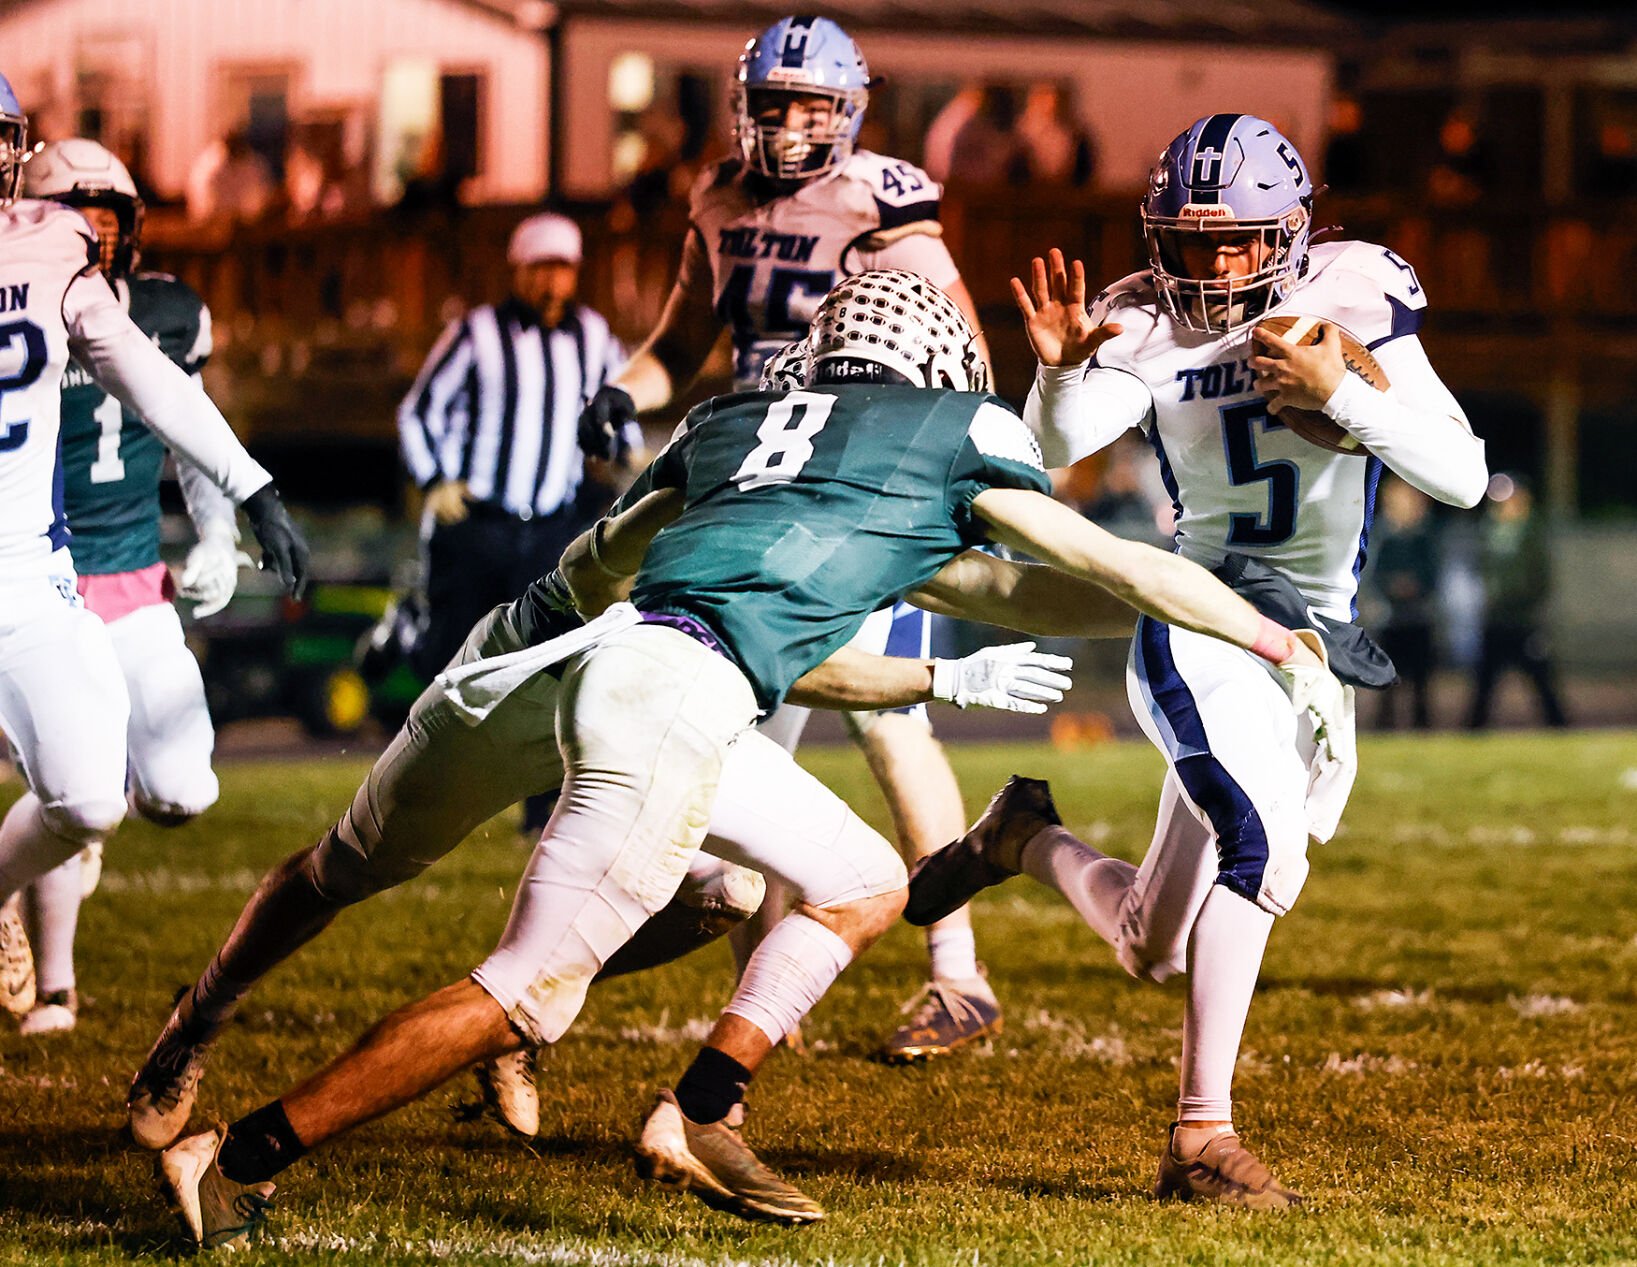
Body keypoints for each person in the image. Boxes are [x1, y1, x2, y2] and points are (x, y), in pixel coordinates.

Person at [152, 270, 1339, 1246]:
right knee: (525, 984)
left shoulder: (733, 433)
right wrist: (1264, 626)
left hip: (550, 651)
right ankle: (238, 1155)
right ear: (938, 366)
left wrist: (949, 672)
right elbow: (1097, 568)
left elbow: (614, 579)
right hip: (662, 695)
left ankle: (694, 1108)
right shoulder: (952, 431)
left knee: (865, 877)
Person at [908, 114, 1490, 1208]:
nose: (1214, 267)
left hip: (1313, 642)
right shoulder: (1142, 314)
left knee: (1154, 949)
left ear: (1292, 230)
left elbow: (1458, 472)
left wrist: (1345, 398)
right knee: (1259, 849)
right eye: (1189, 241)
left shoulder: (1352, 293)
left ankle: (1020, 838)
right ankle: (1200, 1140)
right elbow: (1055, 447)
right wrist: (1055, 376)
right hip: (1202, 613)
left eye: (1237, 242)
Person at [577, 13, 1005, 1064]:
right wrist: (616, 395)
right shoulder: (716, 198)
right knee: (733, 732)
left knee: (891, 713)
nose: (789, 125)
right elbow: (678, 343)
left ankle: (956, 971)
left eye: (811, 105)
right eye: (773, 104)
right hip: (755, 479)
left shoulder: (883, 202)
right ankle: (769, 994)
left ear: (848, 112)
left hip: (859, 477)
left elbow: (965, 354)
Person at [0, 74, 310, 1029]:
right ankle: (52, 980)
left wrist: (246, 494)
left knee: (93, 800)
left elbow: (158, 387)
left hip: (27, 573)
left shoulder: (50, 250)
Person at [1465, 473, 1567, 729]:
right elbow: (1483, 570)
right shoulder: (1489, 529)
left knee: (1541, 679)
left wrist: (1529, 603)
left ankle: (1559, 728)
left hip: (1524, 619)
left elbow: (1542, 575)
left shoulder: (1532, 530)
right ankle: (1473, 732)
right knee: (1485, 682)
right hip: (1495, 617)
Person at [1370, 477, 1440, 729]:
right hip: (1391, 618)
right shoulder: (1382, 534)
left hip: (1419, 616)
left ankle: (1422, 727)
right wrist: (1391, 588)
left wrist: (1416, 586)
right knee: (1387, 679)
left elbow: (1434, 574)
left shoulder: (1425, 535)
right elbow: (1373, 572)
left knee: (1421, 682)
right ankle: (1384, 727)